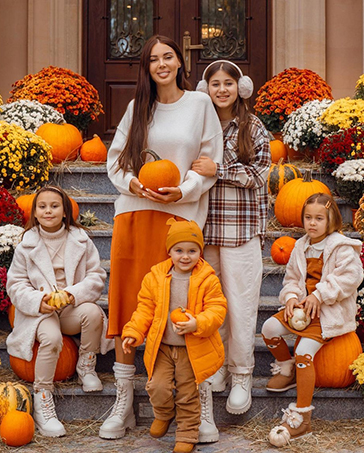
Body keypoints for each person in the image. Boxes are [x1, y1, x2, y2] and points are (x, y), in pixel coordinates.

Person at [100, 34, 223, 440]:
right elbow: (115, 162)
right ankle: (125, 404)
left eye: (167, 57)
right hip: (135, 216)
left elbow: (210, 162)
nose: (162, 64)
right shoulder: (138, 108)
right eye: (154, 59)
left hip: (179, 224)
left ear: (179, 63)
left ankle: (199, 404)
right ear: (147, 68)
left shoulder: (200, 104)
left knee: (184, 310)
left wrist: (183, 190)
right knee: (127, 309)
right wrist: (134, 185)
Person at [192, 59, 271, 432]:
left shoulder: (253, 126)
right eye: (214, 84)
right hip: (205, 231)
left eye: (228, 83)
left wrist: (219, 171)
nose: (221, 89)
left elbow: (260, 173)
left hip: (241, 230)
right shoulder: (201, 126)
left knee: (240, 303)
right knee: (212, 303)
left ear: (240, 88)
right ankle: (217, 367)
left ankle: (242, 374)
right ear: (204, 89)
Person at [6, 186, 110, 437]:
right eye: (42, 207)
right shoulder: (26, 245)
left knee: (93, 313)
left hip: (70, 307)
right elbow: (15, 285)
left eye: (54, 206)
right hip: (41, 312)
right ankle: (43, 397)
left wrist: (73, 294)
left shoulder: (81, 240)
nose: (48, 211)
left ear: (65, 211)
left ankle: (86, 365)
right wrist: (38, 300)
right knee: (51, 339)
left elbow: (96, 277)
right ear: (35, 212)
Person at [261, 193, 363, 446]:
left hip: (327, 312)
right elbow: (292, 279)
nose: (312, 223)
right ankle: (287, 367)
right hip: (302, 311)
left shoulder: (342, 247)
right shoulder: (300, 246)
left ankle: (302, 415)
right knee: (269, 328)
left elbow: (350, 278)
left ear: (332, 220)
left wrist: (320, 294)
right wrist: (293, 297)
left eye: (319, 218)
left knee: (304, 351)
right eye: (308, 218)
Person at [121, 218, 227, 453]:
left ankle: (187, 434)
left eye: (192, 250)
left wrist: (197, 322)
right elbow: (145, 310)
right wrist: (133, 332)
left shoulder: (207, 279)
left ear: (200, 251)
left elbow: (217, 309)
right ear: (169, 251)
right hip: (163, 347)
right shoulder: (155, 277)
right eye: (179, 250)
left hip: (191, 348)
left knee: (188, 394)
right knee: (157, 386)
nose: (185, 256)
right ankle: (164, 413)